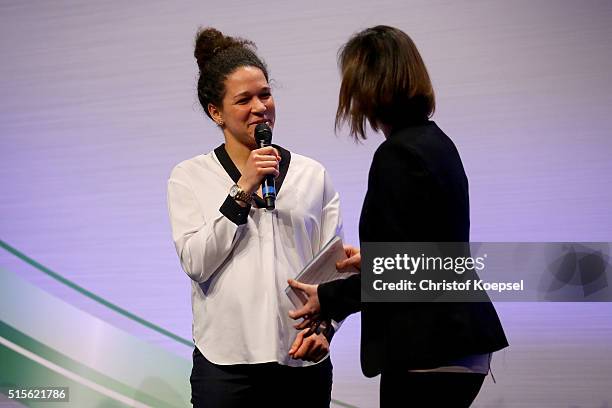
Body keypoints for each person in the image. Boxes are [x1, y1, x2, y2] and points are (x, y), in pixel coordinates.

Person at [287, 25, 509, 407]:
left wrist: (328, 295)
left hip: (431, 346)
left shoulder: (398, 156)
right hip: (456, 343)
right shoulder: (435, 142)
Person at [167, 27, 342, 407]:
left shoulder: (313, 174)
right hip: (226, 366)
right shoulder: (189, 176)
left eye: (265, 94)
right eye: (244, 99)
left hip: (302, 361)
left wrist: (326, 329)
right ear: (216, 112)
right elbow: (196, 262)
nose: (260, 107)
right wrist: (243, 188)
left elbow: (335, 267)